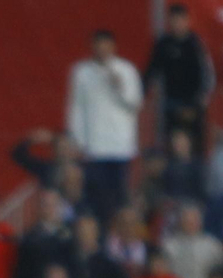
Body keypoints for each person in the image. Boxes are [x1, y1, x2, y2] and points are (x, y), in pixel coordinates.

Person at [66, 29, 143, 222]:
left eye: (106, 46)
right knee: (97, 197)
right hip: (94, 148)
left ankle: (119, 235)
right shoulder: (82, 72)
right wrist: (77, 141)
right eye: (98, 46)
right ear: (92, 47)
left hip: (121, 146)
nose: (102, 50)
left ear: (113, 47)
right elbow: (76, 107)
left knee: (120, 198)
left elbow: (135, 103)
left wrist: (120, 87)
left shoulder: (126, 69)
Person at [143, 6, 214, 154]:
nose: (177, 24)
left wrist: (197, 104)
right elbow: (152, 71)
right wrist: (141, 93)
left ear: (187, 21)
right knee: (170, 143)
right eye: (174, 20)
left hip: (192, 103)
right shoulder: (163, 44)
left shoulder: (195, 44)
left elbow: (207, 75)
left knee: (194, 145)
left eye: (180, 20)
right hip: (171, 102)